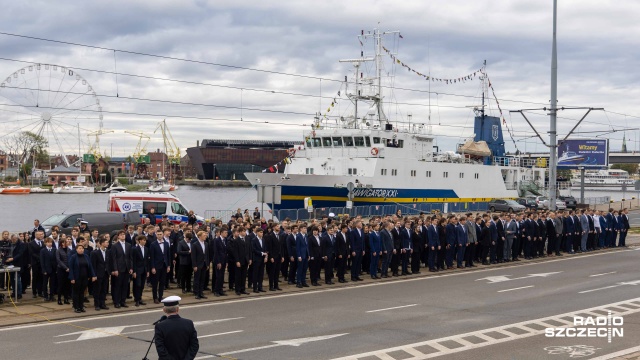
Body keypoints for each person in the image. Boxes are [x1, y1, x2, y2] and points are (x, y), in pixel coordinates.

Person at [154, 296, 199, 360]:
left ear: (164, 310)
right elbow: (194, 345)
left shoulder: (160, 326)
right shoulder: (188, 323)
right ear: (178, 309)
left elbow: (160, 349)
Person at [68, 244, 96, 313]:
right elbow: (71, 268)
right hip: (76, 277)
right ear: (76, 249)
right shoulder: (73, 257)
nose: (81, 250)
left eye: (82, 248)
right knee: (76, 293)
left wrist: (93, 275)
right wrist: (72, 278)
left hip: (85, 277)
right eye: (80, 248)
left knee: (82, 293)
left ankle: (81, 306)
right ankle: (76, 307)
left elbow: (90, 266)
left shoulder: (86, 256)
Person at [110, 231, 132, 308]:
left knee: (125, 285)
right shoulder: (115, 246)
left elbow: (130, 257)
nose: (123, 236)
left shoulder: (128, 245)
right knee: (117, 286)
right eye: (121, 235)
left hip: (126, 268)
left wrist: (131, 267)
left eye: (124, 235)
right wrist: (115, 269)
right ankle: (116, 301)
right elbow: (114, 258)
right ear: (118, 236)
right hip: (119, 268)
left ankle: (123, 301)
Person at [150, 230, 171, 304]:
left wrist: (168, 265)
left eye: (160, 234)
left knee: (162, 283)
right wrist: (152, 267)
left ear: (163, 235)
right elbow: (152, 257)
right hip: (156, 266)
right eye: (158, 234)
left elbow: (168, 255)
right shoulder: (153, 244)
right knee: (155, 283)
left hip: (164, 266)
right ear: (156, 235)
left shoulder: (166, 243)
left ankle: (160, 296)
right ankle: (155, 297)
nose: (159, 235)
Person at [132, 235, 150, 307]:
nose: (144, 241)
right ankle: (136, 299)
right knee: (137, 285)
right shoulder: (135, 249)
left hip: (144, 269)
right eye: (143, 240)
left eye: (145, 240)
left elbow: (147, 261)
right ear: (139, 241)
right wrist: (134, 271)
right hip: (137, 270)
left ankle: (140, 298)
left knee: (142, 285)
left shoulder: (146, 249)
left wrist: (148, 271)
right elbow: (133, 261)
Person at [191, 231, 210, 299]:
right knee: (197, 279)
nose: (205, 236)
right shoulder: (195, 244)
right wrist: (194, 265)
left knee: (202, 279)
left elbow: (207, 255)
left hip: (204, 264)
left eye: (205, 235)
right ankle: (196, 293)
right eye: (204, 235)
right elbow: (193, 256)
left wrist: (207, 264)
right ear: (199, 236)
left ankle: (201, 292)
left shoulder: (206, 244)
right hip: (198, 264)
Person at [39, 237, 56, 302]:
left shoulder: (54, 250)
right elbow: (42, 261)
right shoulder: (43, 250)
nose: (49, 244)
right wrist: (44, 270)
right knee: (45, 283)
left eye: (51, 242)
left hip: (53, 269)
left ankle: (51, 295)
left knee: (52, 283)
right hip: (46, 269)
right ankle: (45, 295)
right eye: (48, 242)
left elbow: (55, 259)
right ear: (45, 243)